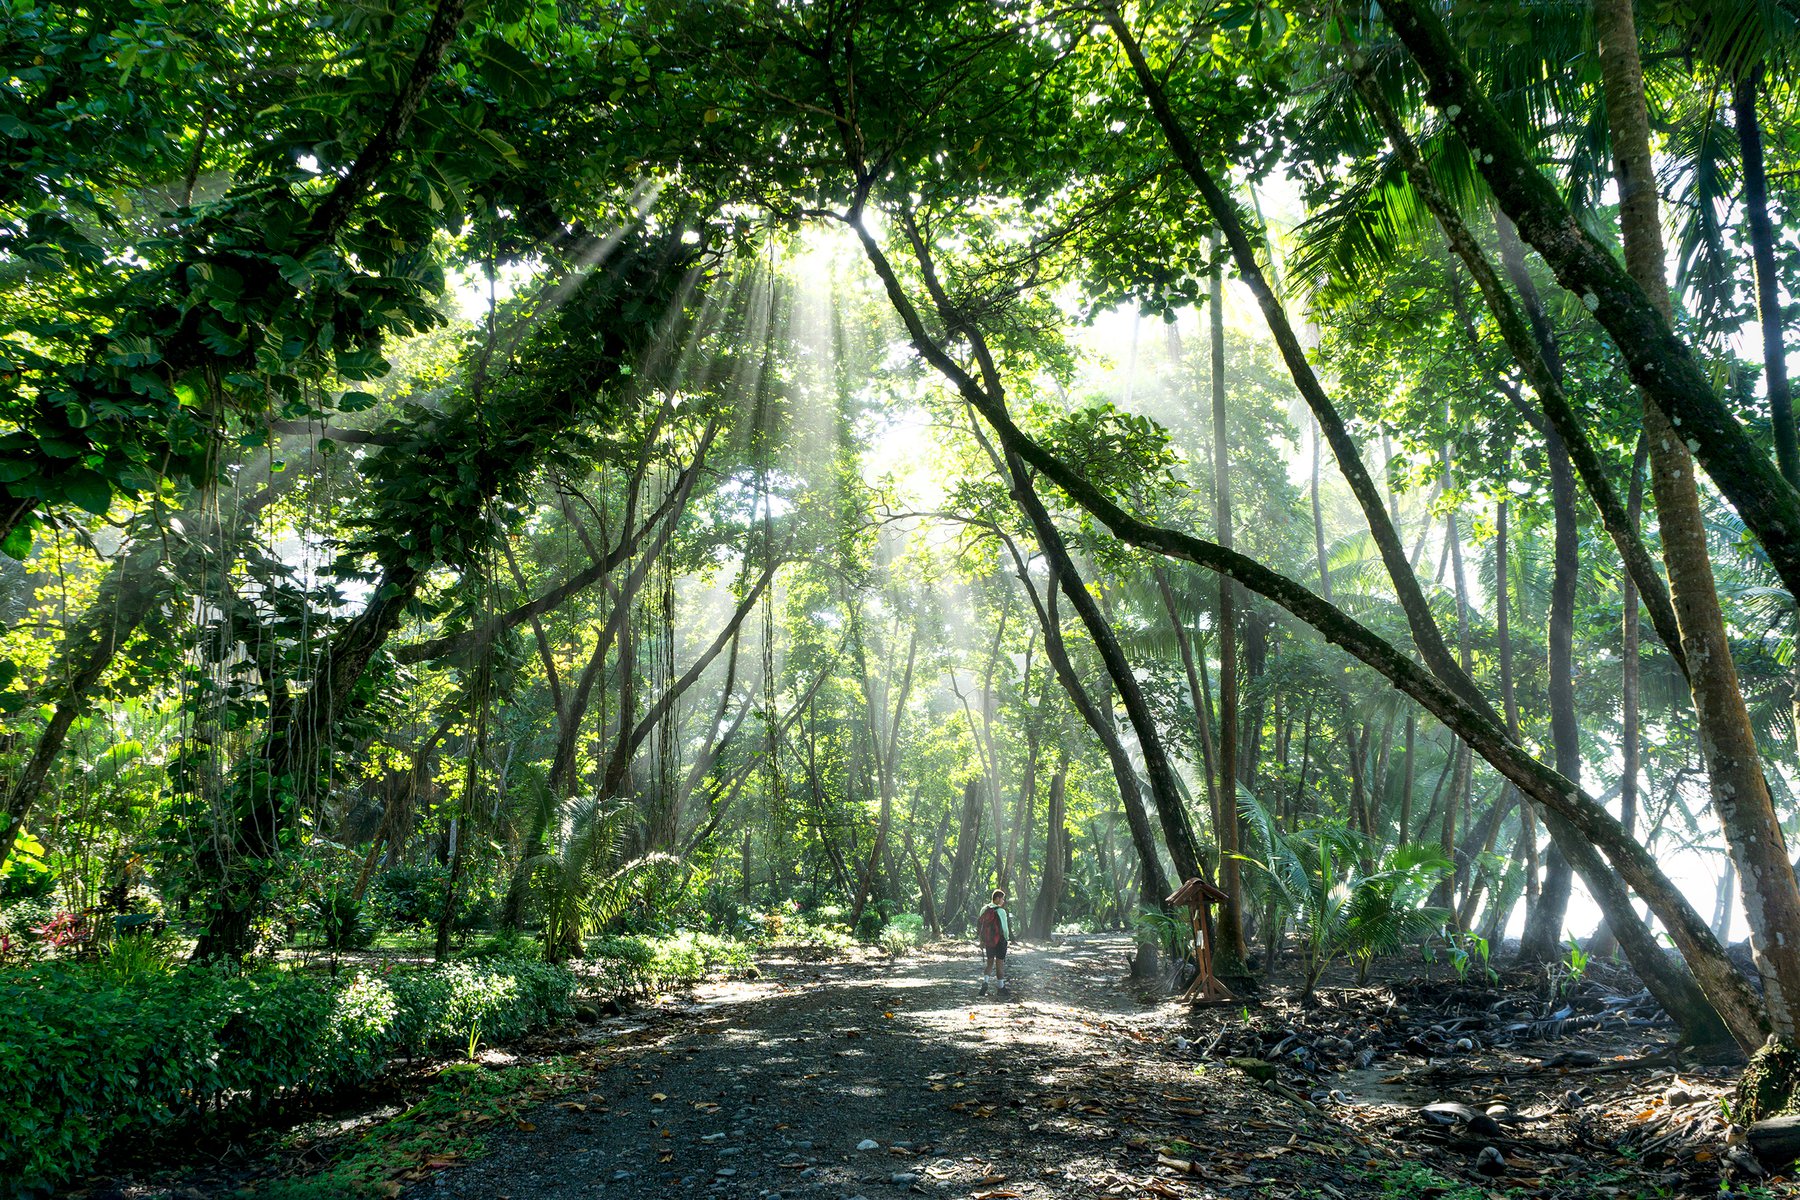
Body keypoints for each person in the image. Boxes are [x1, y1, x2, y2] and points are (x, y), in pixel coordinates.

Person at [976, 888, 1011, 995]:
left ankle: (985, 982)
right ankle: (1001, 987)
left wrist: (981, 940)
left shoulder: (984, 909)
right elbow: (1005, 929)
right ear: (997, 898)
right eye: (1002, 899)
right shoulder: (1001, 911)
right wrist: (1006, 938)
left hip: (988, 941)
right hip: (1000, 941)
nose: (1003, 901)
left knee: (989, 963)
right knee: (999, 964)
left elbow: (980, 926)